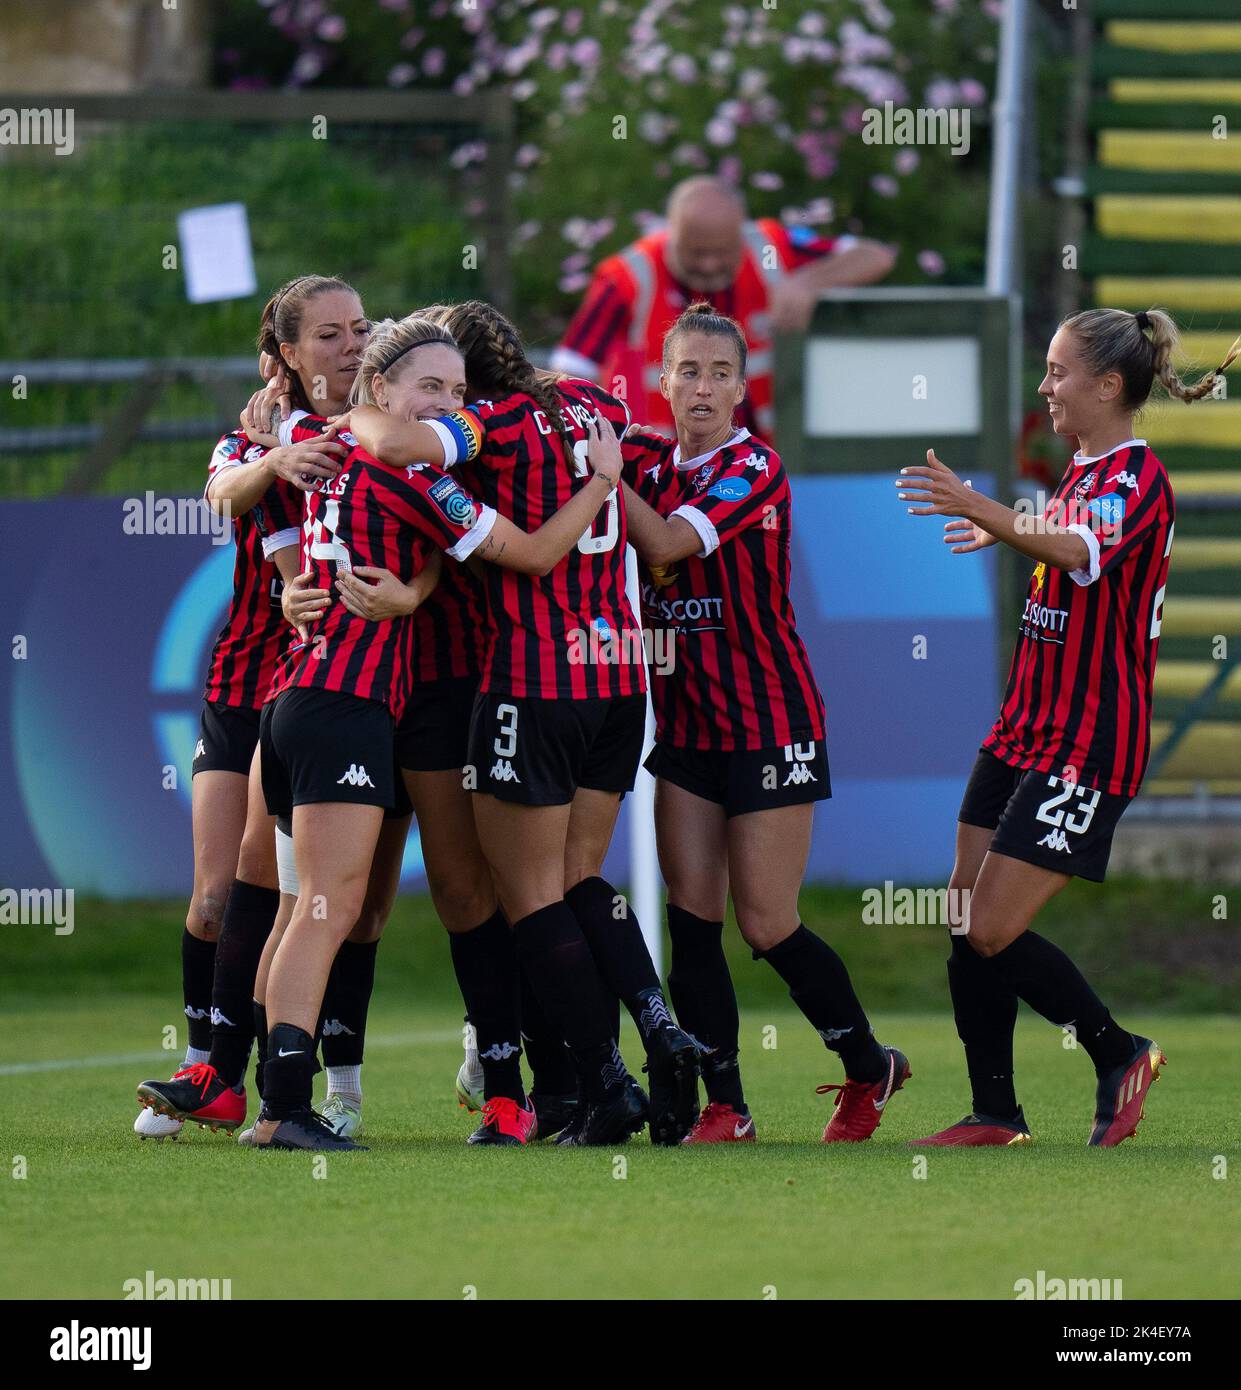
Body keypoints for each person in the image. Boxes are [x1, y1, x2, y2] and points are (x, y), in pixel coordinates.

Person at [248, 324, 623, 1151]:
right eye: (429, 388)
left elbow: (312, 479)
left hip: (316, 699)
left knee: (349, 903)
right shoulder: (406, 466)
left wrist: (414, 589)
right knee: (331, 906)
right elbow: (527, 554)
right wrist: (600, 484)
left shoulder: (321, 441)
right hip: (344, 699)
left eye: (457, 392)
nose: (447, 407)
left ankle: (294, 1101)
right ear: (381, 391)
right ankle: (286, 1105)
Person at [343, 299, 702, 1147]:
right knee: (581, 880)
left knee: (530, 896)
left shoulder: (488, 425)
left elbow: (394, 444)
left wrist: (366, 396)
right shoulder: (598, 403)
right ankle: (658, 1028)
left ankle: (605, 1085)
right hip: (617, 674)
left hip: (535, 677)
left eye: (447, 382)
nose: (444, 400)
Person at [900, 308, 1237, 1147]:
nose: (1045, 387)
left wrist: (982, 506)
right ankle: (994, 1112)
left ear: (1107, 385)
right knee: (959, 913)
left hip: (1088, 745)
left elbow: (1079, 549)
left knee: (989, 925)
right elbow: (1062, 541)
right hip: (1024, 727)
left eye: (1057, 372)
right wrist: (1001, 527)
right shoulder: (1082, 471)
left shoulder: (1132, 479)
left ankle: (1117, 1049)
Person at [620, 303, 911, 1143]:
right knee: (690, 916)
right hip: (684, 729)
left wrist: (601, 477)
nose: (703, 388)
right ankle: (726, 1105)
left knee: (766, 923)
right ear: (663, 381)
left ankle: (869, 1066)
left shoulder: (754, 467)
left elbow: (670, 544)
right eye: (688, 372)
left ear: (741, 388)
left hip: (769, 722)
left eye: (719, 374)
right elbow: (552, 419)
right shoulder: (638, 452)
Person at [133, 276, 363, 1138]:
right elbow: (224, 495)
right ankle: (210, 1067)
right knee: (214, 895)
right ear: (285, 357)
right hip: (246, 684)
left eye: (359, 330)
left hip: (334, 689)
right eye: (329, 334)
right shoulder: (255, 440)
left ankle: (307, 1085)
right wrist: (273, 457)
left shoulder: (389, 437)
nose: (348, 346)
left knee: (313, 896)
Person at [551, 175, 895, 439]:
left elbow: (873, 255)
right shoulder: (629, 276)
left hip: (766, 467)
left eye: (722, 252)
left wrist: (809, 283)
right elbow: (570, 368)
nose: (710, 264)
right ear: (672, 235)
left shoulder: (768, 248)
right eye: (696, 252)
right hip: (663, 474)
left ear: (740, 235)